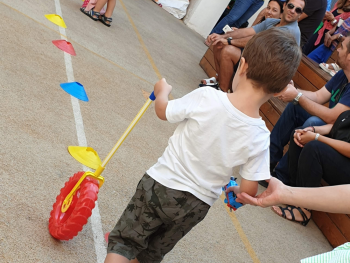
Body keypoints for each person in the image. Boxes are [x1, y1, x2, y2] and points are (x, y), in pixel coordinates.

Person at [104, 28, 302, 263]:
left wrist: (162, 92)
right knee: (150, 255)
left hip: (161, 184)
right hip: (196, 206)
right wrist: (236, 191)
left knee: (125, 243)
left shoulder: (207, 96)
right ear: (280, 90)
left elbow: (163, 112)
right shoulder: (261, 135)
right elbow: (248, 191)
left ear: (244, 64)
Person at [266, 33, 350, 188]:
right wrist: (292, 90)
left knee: (312, 120)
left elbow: (333, 118)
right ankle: (266, 164)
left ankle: (281, 178)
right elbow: (318, 96)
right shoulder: (343, 75)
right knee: (295, 106)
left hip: (339, 138)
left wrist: (297, 96)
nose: (338, 49)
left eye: (342, 47)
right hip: (330, 127)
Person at [203, 0, 303, 92]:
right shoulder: (272, 22)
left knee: (228, 51)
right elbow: (246, 32)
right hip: (258, 60)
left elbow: (256, 41)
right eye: (291, 6)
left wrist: (229, 41)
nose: (293, 11)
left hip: (268, 72)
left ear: (300, 15)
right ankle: (221, 83)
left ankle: (222, 91)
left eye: (298, 10)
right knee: (219, 43)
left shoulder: (291, 31)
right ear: (285, 6)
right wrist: (222, 36)